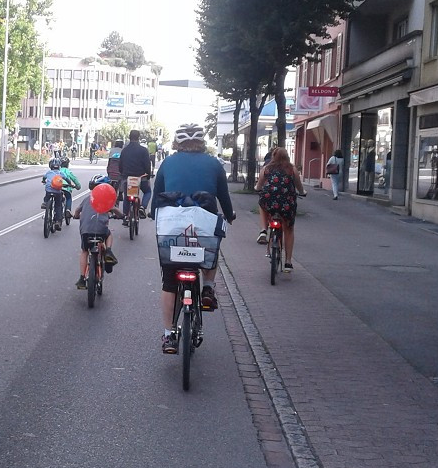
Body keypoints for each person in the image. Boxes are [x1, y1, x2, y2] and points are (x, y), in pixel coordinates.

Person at [152, 122, 236, 353]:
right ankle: (207, 287)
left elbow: (157, 196)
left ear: (178, 143)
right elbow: (224, 196)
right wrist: (230, 216)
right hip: (203, 223)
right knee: (211, 247)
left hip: (172, 227)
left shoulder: (167, 163)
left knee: (169, 283)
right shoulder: (214, 164)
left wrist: (153, 215)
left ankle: (169, 334)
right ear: (201, 143)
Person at [255, 147, 305, 274]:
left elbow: (259, 185)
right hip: (287, 204)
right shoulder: (292, 170)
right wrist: (303, 192)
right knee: (289, 229)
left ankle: (263, 230)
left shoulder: (266, 169)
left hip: (270, 202)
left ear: (273, 156)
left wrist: (257, 188)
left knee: (262, 204)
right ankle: (288, 262)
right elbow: (299, 187)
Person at [72, 175, 122, 289]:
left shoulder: (87, 199)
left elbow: (77, 211)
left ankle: (81, 278)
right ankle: (108, 251)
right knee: (108, 234)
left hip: (86, 231)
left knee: (85, 251)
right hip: (101, 231)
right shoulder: (106, 200)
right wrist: (122, 216)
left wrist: (76, 216)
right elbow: (116, 210)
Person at [118, 129, 153, 222]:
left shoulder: (124, 150)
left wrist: (123, 174)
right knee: (148, 192)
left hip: (127, 177)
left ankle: (125, 216)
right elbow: (147, 165)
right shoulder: (144, 150)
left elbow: (120, 165)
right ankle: (142, 207)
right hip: (141, 177)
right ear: (139, 138)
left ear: (129, 137)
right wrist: (148, 175)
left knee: (126, 197)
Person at [40, 158, 67, 229]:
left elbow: (44, 178)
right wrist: (70, 184)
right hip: (57, 191)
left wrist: (43, 181)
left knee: (47, 195)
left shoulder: (48, 172)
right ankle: (58, 221)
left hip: (49, 190)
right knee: (58, 205)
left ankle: (45, 203)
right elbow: (67, 179)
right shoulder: (61, 173)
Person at [58, 156, 81, 225]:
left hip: (57, 188)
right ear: (68, 165)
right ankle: (68, 210)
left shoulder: (58, 171)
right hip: (66, 188)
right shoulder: (68, 172)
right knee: (68, 198)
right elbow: (74, 179)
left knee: (57, 200)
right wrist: (78, 186)